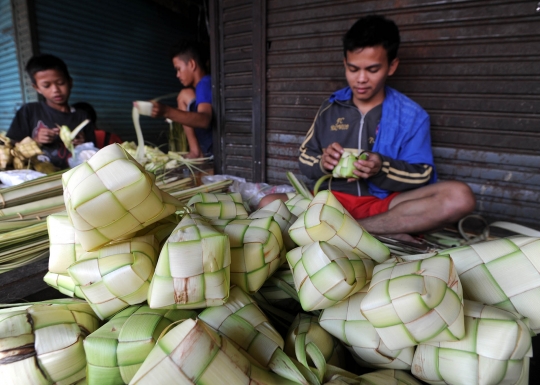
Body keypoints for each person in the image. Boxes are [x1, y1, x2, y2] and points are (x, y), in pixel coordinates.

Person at [259, 15, 476, 242]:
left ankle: (355, 230)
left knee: (459, 196)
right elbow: (305, 157)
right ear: (345, 63)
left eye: (372, 70)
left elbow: (423, 174)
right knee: (269, 204)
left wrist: (381, 167)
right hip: (329, 202)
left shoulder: (412, 115)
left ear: (392, 66)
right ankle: (379, 232)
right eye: (353, 69)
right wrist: (322, 163)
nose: (361, 79)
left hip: (385, 205)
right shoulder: (330, 108)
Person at [6, 54, 96, 169]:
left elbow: (94, 151)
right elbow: (11, 148)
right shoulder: (29, 111)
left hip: (76, 176)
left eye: (60, 83)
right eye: (46, 85)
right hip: (38, 177)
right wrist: (36, 141)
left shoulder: (82, 116)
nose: (55, 90)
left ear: (70, 82)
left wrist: (83, 143)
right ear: (37, 88)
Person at [151, 39, 212, 159]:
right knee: (184, 95)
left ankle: (196, 151)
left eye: (178, 69)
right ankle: (195, 150)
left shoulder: (204, 84)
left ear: (192, 64)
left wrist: (166, 111)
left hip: (213, 151)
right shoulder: (204, 85)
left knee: (184, 94)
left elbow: (205, 120)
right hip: (210, 148)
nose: (177, 75)